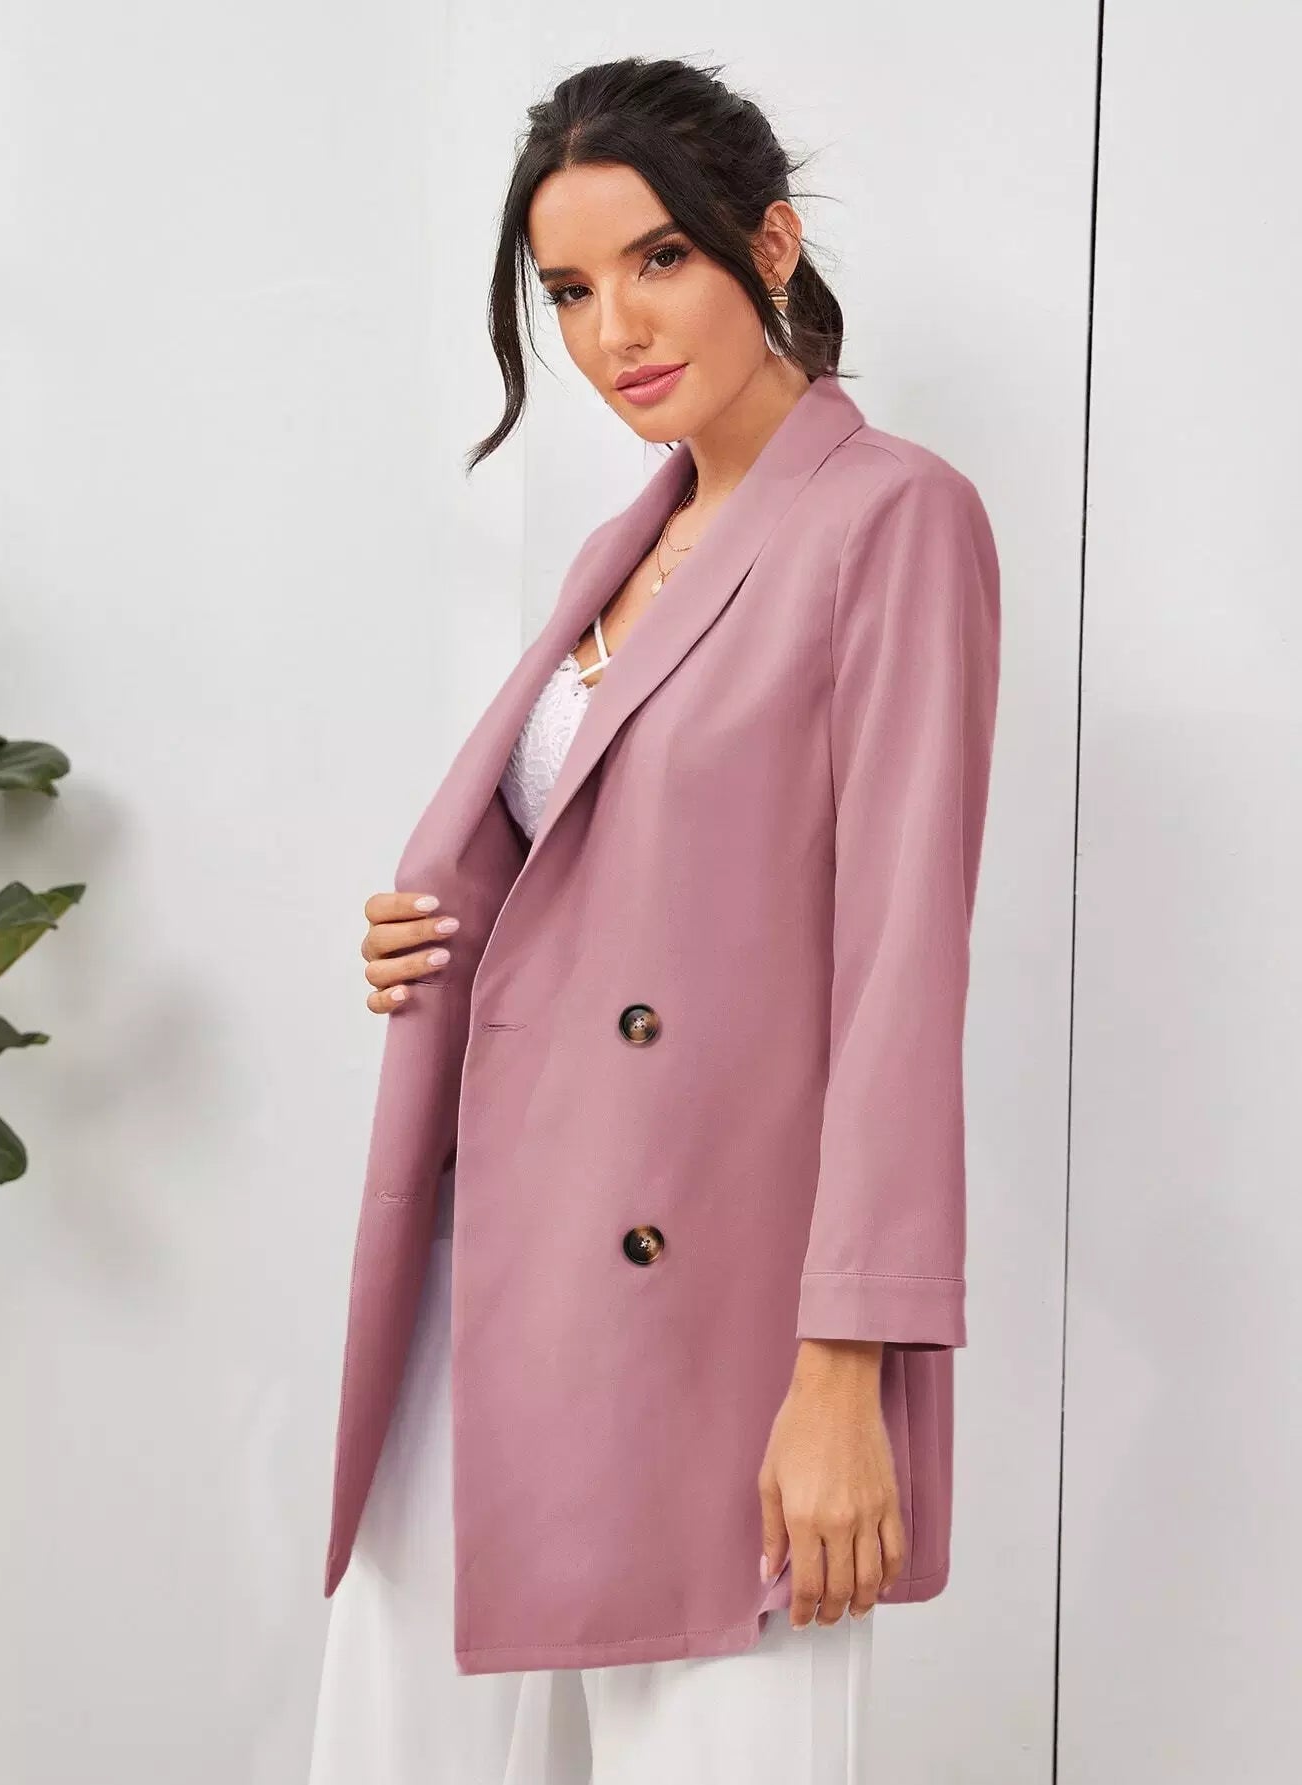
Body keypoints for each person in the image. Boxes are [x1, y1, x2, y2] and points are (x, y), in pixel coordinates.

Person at [309, 52, 1000, 1785]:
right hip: (489, 1272)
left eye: (658, 259)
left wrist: (845, 1369)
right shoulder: (619, 550)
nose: (613, 328)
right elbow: (604, 879)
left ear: (769, 244)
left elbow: (902, 970)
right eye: (567, 290)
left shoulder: (895, 517)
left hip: (716, 1312)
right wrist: (439, 938)